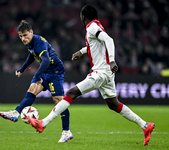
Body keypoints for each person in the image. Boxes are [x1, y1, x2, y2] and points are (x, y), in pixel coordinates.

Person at [28, 5, 155, 146]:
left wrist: (112, 60)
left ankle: (43, 123)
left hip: (101, 72)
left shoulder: (92, 27)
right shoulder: (96, 26)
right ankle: (145, 126)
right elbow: (94, 45)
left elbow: (109, 40)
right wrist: (81, 52)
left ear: (83, 17)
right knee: (113, 104)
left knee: (71, 92)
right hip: (107, 73)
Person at [0, 20, 73, 143]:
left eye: (25, 35)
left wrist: (37, 74)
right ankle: (16, 113)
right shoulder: (30, 43)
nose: (23, 38)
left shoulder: (39, 43)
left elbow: (47, 61)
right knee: (32, 89)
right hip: (45, 71)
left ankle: (66, 132)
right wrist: (22, 69)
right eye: (21, 36)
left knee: (59, 101)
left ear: (31, 32)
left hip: (55, 72)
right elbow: (32, 55)